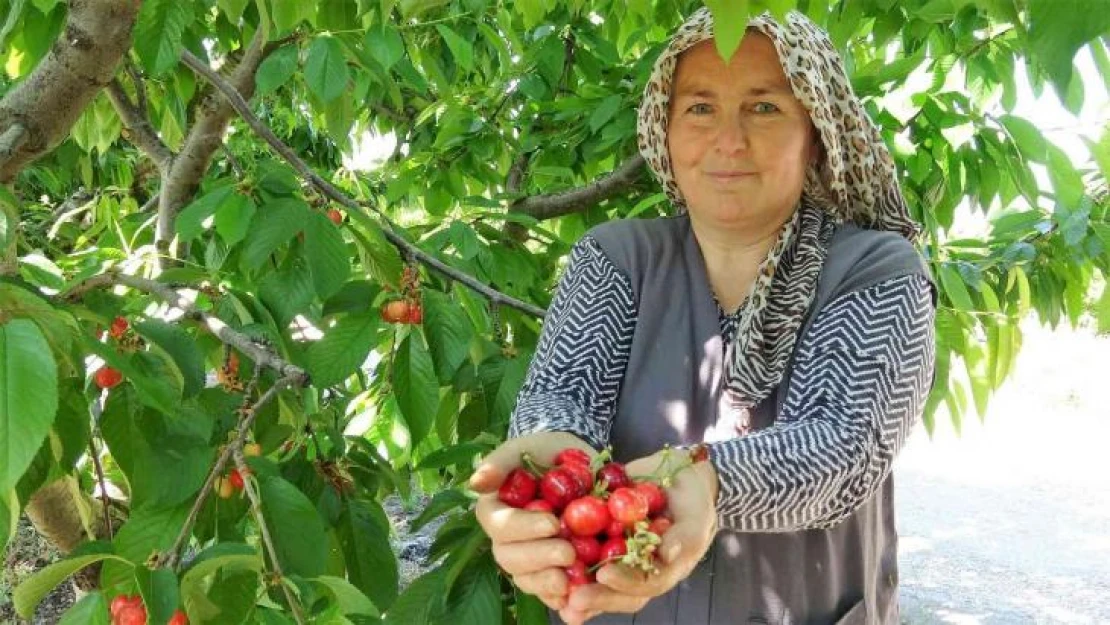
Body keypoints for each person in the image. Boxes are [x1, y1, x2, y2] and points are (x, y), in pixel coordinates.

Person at [469, 8, 936, 625]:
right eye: (700, 108)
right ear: (665, 130)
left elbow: (842, 445)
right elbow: (564, 397)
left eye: (765, 107)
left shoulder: (877, 270)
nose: (729, 141)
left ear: (816, 131)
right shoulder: (617, 258)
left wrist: (701, 479)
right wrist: (551, 461)